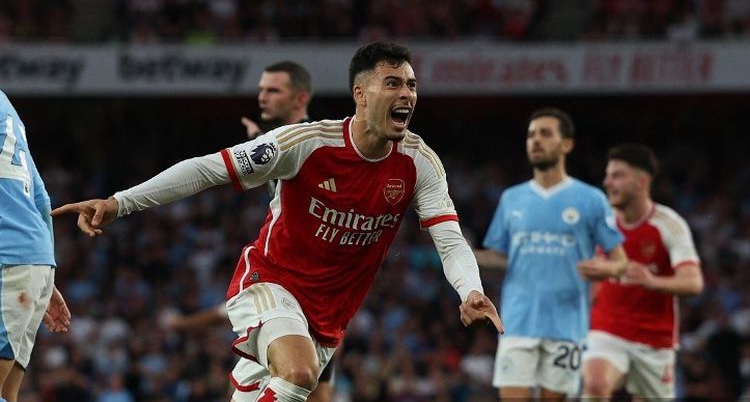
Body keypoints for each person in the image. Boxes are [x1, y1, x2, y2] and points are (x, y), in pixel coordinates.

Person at [52, 41, 503, 402]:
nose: (407, 94)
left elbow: (450, 240)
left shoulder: (419, 163)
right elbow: (209, 169)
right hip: (271, 282)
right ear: (361, 95)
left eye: (411, 84)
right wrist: (119, 203)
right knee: (300, 372)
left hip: (328, 317)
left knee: (289, 382)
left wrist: (471, 290)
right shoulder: (306, 143)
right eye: (393, 84)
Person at [163, 61, 336, 402]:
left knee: (298, 387)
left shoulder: (316, 146)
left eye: (273, 90)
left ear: (300, 97)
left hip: (314, 293)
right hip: (289, 287)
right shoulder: (281, 145)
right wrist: (258, 140)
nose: (262, 97)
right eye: (261, 89)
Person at [474, 107, 627, 400]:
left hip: (566, 326)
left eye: (545, 134)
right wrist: (466, 255)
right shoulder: (512, 198)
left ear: (566, 144)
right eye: (531, 135)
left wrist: (606, 269)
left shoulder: (590, 199)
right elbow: (503, 258)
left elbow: (621, 262)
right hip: (517, 322)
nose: (535, 141)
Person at [582, 143, 704, 400]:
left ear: (641, 181)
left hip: (654, 340)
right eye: (607, 176)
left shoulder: (669, 225)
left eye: (617, 175)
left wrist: (652, 281)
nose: (608, 182)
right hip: (607, 330)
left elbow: (693, 283)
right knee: (595, 385)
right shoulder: (601, 222)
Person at [0, 90, 71, 402]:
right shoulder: (6, 106)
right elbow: (42, 197)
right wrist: (48, 275)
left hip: (8, 261)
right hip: (32, 260)